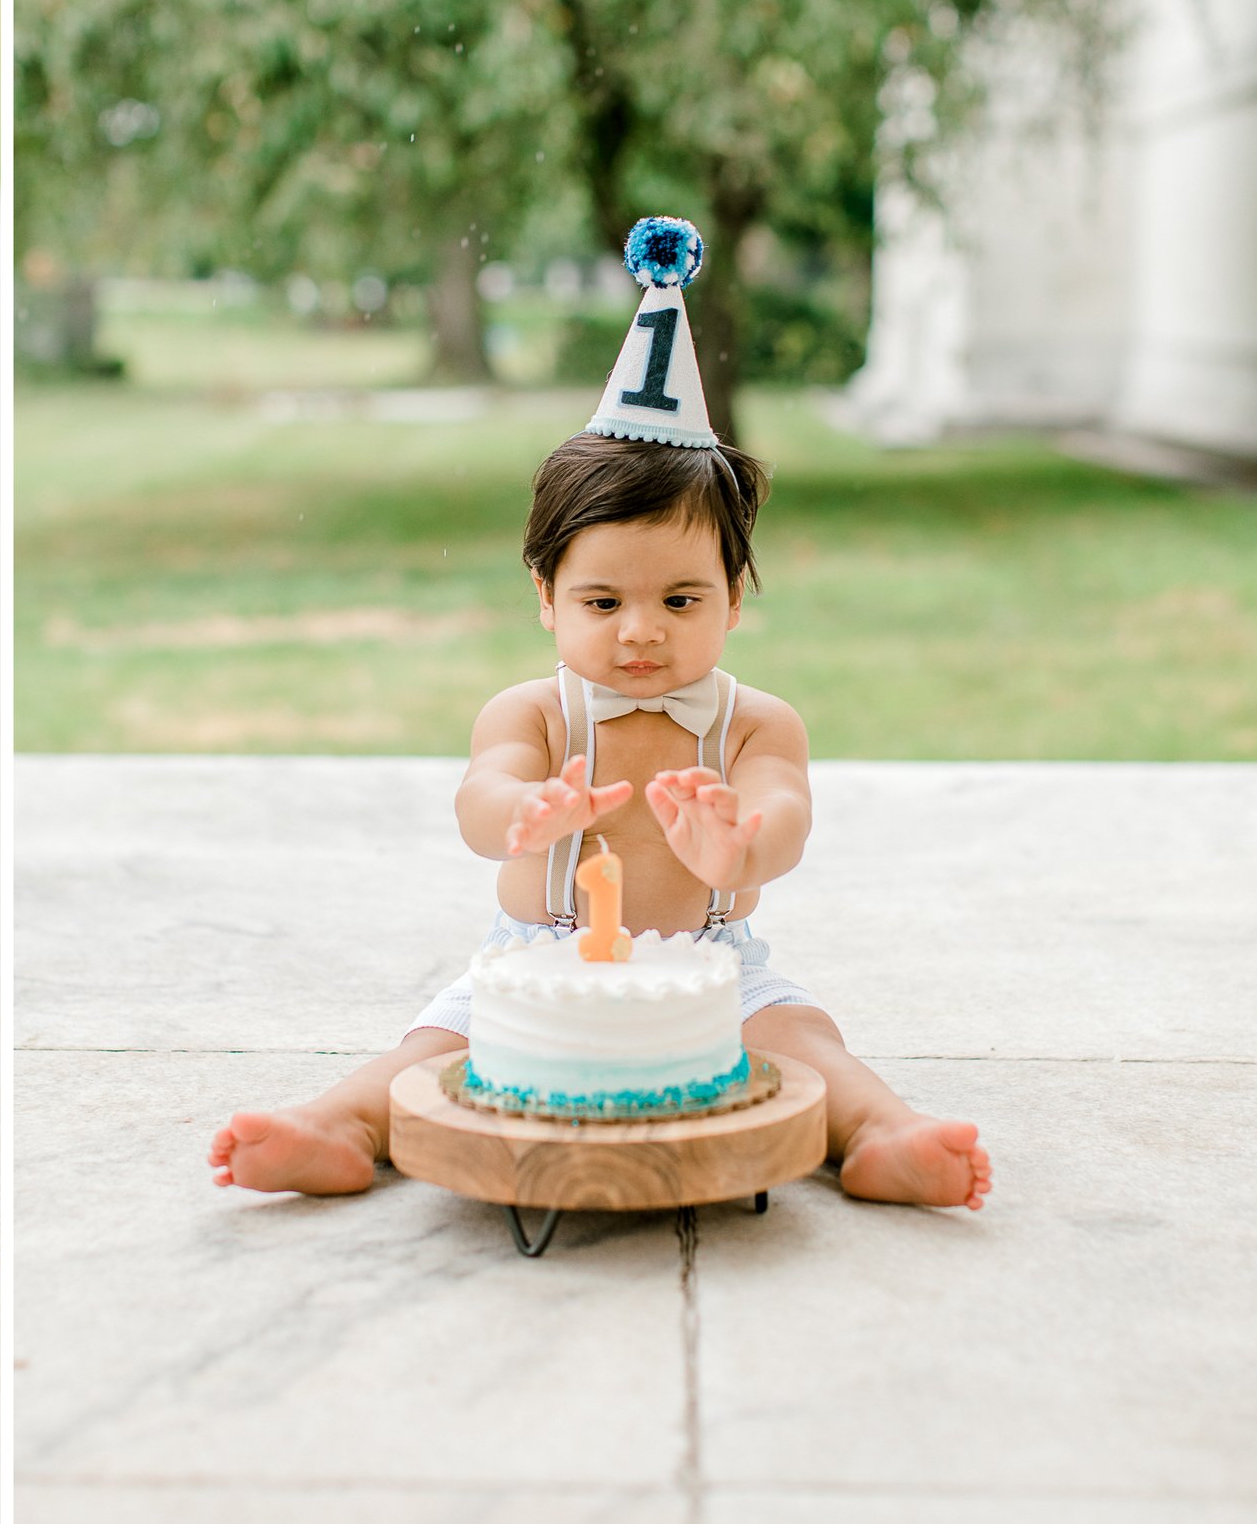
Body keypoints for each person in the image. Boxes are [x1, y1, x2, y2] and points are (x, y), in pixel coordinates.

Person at [207, 219, 992, 1211]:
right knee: (434, 1046)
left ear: (734, 598)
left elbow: (784, 809)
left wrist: (739, 847)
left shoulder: (754, 723)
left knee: (802, 1042)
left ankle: (885, 1135)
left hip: (710, 973)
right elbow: (479, 796)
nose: (640, 634)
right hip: (534, 965)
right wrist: (523, 816)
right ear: (544, 597)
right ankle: (336, 1129)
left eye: (680, 599)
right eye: (601, 602)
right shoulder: (533, 713)